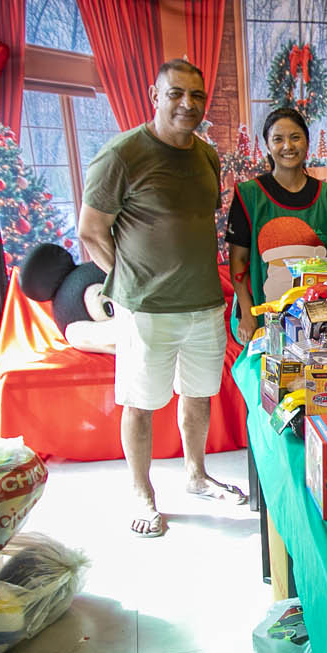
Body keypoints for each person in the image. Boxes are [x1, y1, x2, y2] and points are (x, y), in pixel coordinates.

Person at [78, 58, 247, 538]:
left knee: (198, 394)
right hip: (146, 310)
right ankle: (142, 493)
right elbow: (91, 231)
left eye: (197, 96)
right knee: (141, 402)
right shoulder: (122, 155)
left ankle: (196, 475)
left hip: (204, 304)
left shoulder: (206, 155)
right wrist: (130, 283)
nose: (187, 104)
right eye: (176, 93)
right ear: (155, 96)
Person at [224, 106, 327, 340]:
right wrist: (247, 312)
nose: (288, 146)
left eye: (295, 137)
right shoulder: (249, 195)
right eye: (278, 139)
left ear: (307, 142)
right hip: (264, 316)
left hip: (319, 321)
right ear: (267, 146)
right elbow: (238, 260)